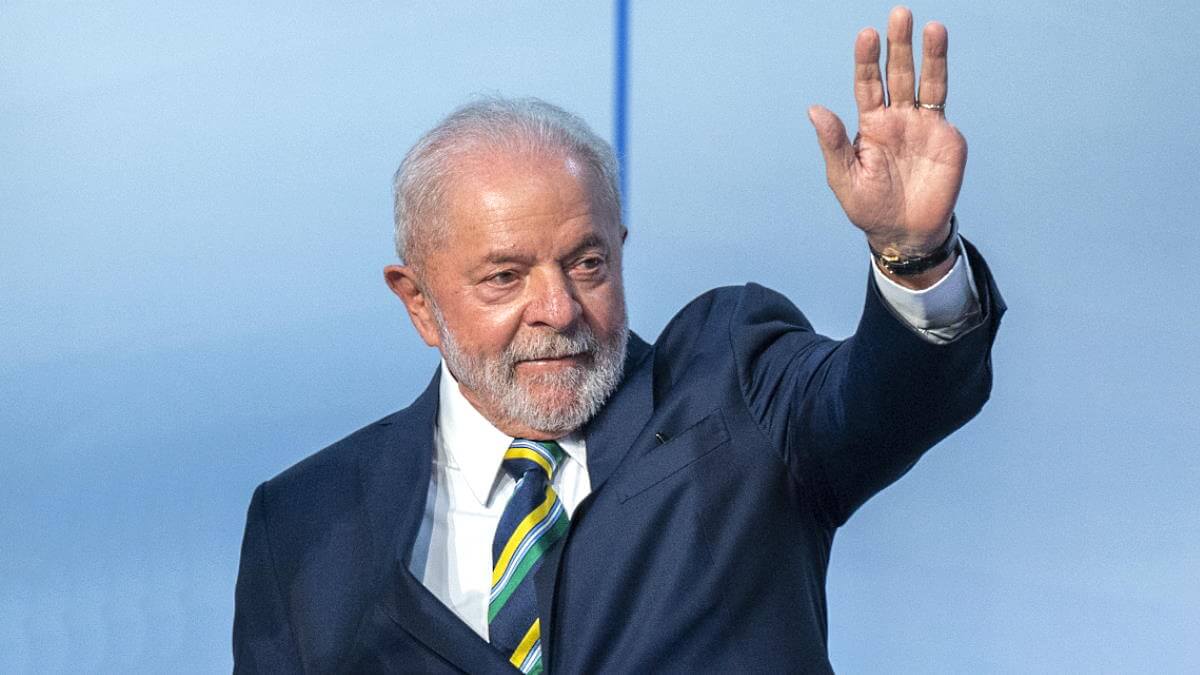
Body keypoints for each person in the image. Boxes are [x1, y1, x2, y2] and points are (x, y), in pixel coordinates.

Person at [234, 7, 1004, 673]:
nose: (558, 308)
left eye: (587, 263)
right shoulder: (302, 522)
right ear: (419, 302)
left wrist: (915, 255)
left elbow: (885, 400)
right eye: (505, 277)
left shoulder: (732, 384)